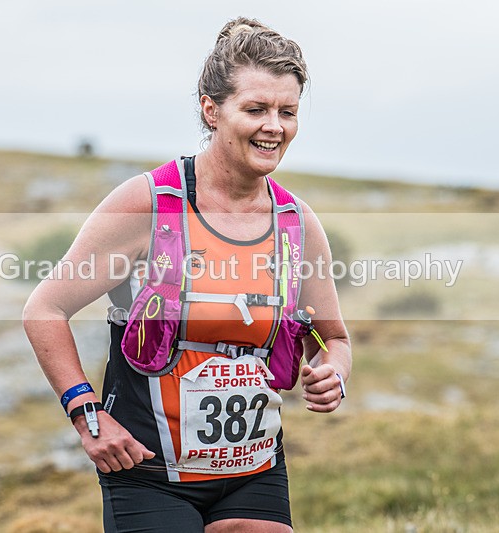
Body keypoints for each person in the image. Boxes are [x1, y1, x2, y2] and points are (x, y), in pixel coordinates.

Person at [23, 16, 351, 533]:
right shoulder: (148, 204)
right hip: (146, 469)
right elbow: (45, 309)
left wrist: (334, 372)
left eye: (288, 111)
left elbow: (331, 338)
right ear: (211, 110)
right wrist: (86, 416)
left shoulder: (296, 223)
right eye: (256, 109)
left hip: (255, 469)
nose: (275, 126)